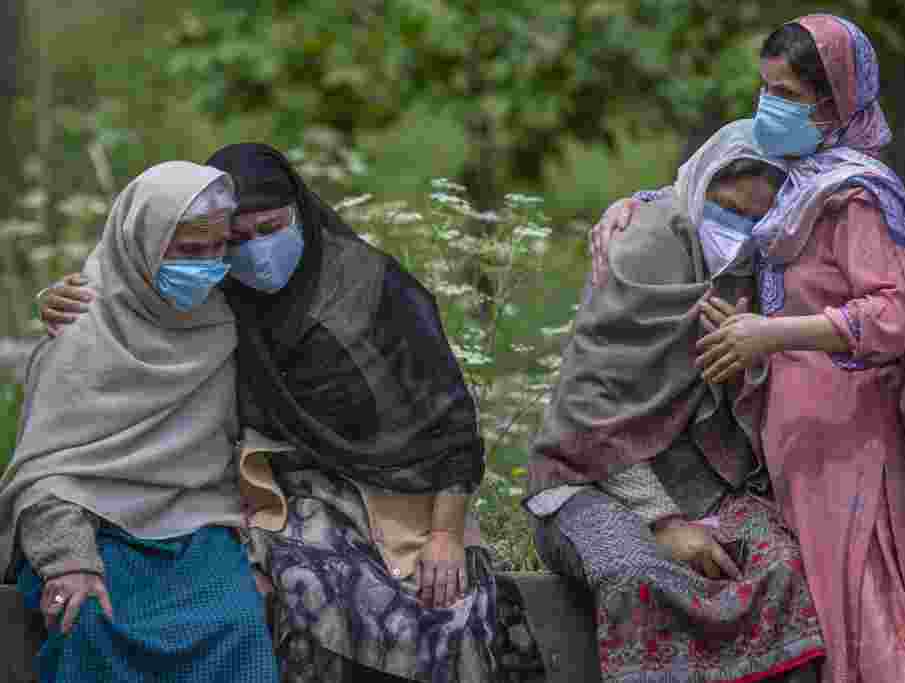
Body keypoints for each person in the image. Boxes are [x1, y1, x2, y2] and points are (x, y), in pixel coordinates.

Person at [597, 15, 905, 683]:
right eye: (764, 88)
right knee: (829, 635)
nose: (767, 107)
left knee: (871, 623)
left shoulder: (856, 195)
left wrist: (771, 333)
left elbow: (892, 317)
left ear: (834, 102)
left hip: (852, 447)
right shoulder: (796, 178)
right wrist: (630, 207)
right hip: (799, 452)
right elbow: (709, 182)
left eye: (785, 94)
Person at [39, 143, 496, 683]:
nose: (256, 252)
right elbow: (139, 289)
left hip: (408, 493)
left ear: (300, 210)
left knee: (443, 608)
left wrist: (446, 533)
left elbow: (451, 424)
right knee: (309, 596)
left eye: (272, 227)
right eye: (237, 238)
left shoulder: (375, 289)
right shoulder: (216, 291)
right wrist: (56, 298)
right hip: (282, 488)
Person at [525, 120, 825, 683]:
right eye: (727, 210)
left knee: (783, 568)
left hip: (707, 482)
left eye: (755, 220)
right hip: (588, 482)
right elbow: (589, 415)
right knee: (639, 576)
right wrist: (663, 522)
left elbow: (776, 412)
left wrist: (755, 358)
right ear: (700, 190)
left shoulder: (760, 276)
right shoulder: (641, 250)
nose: (737, 231)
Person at [1, 162, 280, 682]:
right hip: (91, 529)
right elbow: (46, 473)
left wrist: (261, 551)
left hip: (200, 526)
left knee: (238, 622)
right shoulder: (81, 331)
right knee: (87, 618)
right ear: (142, 245)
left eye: (219, 249)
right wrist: (69, 560)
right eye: (189, 252)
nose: (208, 265)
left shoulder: (227, 322)